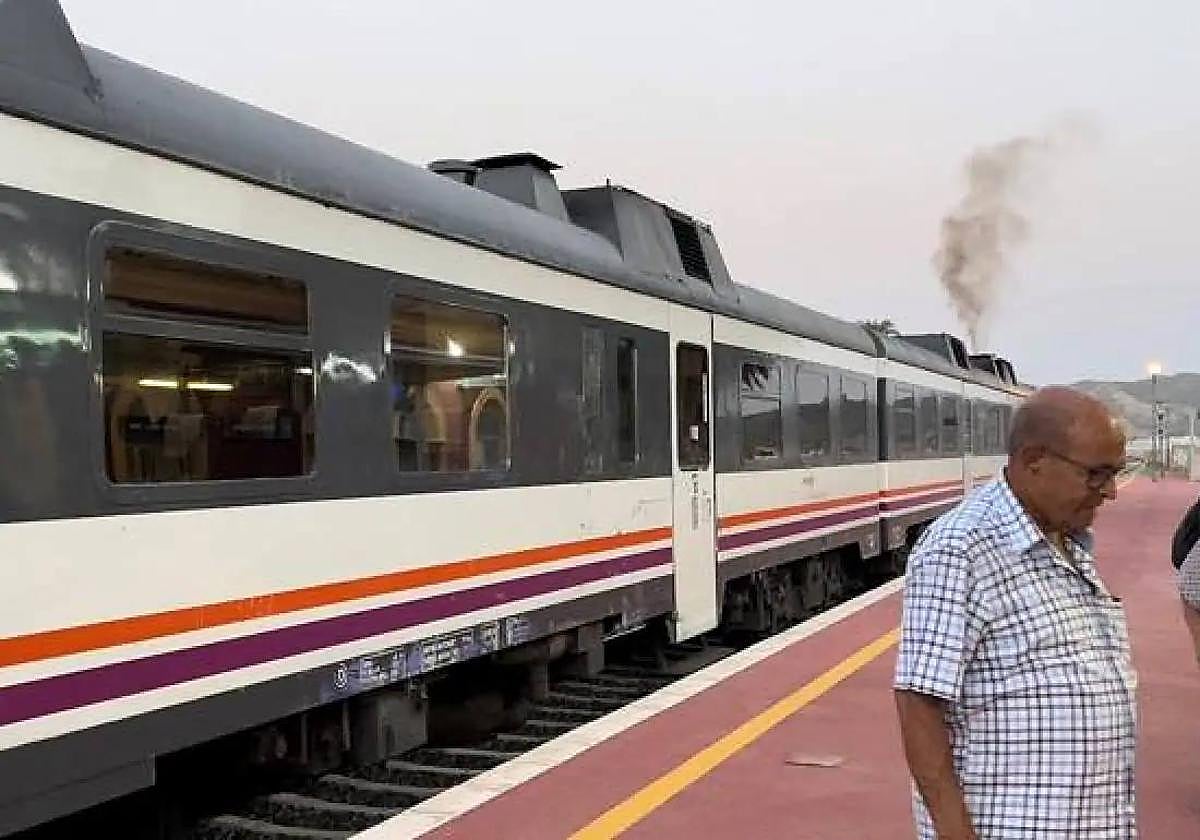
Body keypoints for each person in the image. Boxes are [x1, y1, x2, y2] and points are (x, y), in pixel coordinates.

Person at [893, 386, 1135, 839]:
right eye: (1097, 475)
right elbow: (919, 704)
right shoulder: (960, 549)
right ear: (1033, 460)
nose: (1111, 492)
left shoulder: (1067, 540)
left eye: (1116, 473)